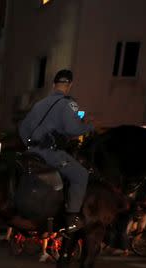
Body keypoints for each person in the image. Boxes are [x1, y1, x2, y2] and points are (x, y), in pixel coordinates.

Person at [19, 69, 94, 233]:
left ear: (54, 85)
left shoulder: (39, 103)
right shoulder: (71, 103)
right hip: (51, 154)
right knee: (81, 175)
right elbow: (72, 128)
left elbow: (23, 129)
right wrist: (89, 125)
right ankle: (72, 218)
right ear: (70, 85)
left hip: (31, 152)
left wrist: (31, 145)